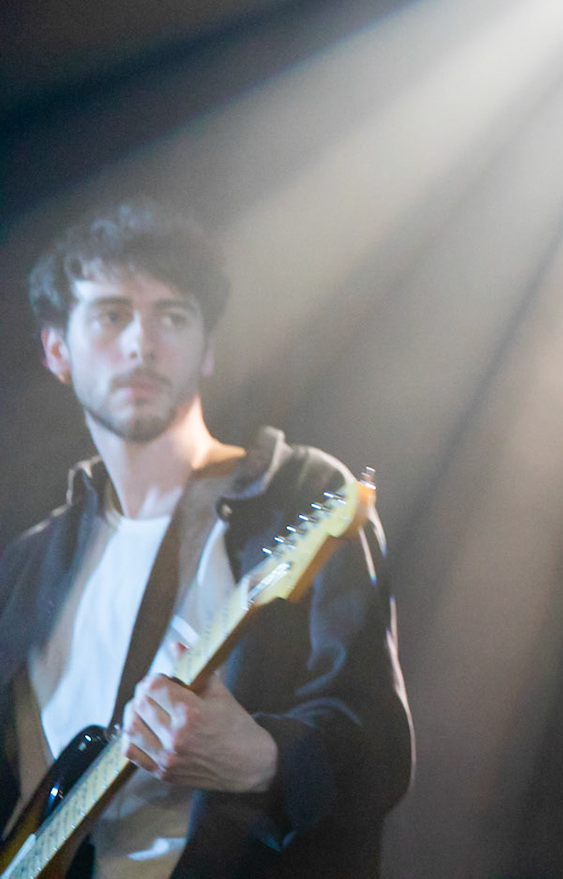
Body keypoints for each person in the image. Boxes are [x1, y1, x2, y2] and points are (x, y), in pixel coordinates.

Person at [0, 200, 412, 877]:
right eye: (111, 315)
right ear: (56, 350)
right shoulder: (29, 565)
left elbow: (381, 748)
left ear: (207, 348)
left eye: (173, 316)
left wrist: (262, 760)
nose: (141, 342)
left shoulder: (296, 495)